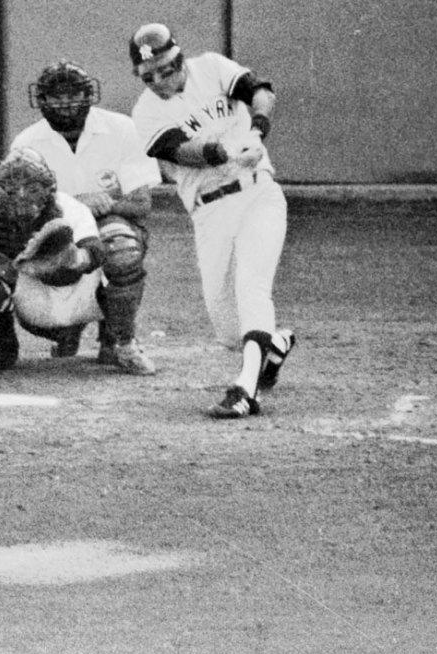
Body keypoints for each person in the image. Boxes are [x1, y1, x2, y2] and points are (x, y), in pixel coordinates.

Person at [127, 23, 296, 419]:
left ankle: (245, 389)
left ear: (180, 57)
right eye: (149, 76)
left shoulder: (212, 68)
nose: (160, 80)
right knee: (228, 329)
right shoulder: (146, 111)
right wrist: (228, 149)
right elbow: (182, 151)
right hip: (210, 211)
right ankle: (274, 346)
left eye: (167, 68)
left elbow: (261, 92)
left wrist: (257, 131)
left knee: (252, 287)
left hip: (258, 193)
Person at [0, 146, 156, 375]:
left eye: (31, 188)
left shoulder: (70, 208)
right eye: (12, 190)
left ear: (48, 188)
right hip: (34, 305)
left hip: (84, 298)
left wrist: (75, 258)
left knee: (120, 247)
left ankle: (121, 343)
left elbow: (95, 251)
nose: (22, 196)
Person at [10, 59, 161, 368]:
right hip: (57, 230)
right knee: (29, 267)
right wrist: (77, 203)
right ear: (41, 99)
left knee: (120, 244)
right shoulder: (26, 144)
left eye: (74, 94)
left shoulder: (122, 128)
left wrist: (106, 204)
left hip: (110, 223)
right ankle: (66, 328)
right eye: (56, 95)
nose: (66, 103)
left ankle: (120, 340)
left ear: (89, 94)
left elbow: (142, 205)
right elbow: (21, 214)